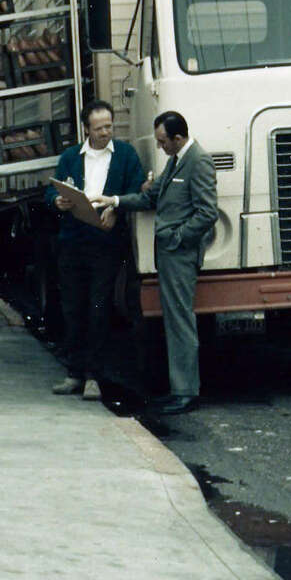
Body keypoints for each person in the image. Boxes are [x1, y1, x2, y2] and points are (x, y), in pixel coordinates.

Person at [96, 111, 217, 415]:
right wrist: (117, 201)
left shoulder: (198, 161)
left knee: (180, 323)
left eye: (164, 142)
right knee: (175, 322)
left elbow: (207, 213)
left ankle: (187, 392)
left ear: (178, 138)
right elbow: (152, 199)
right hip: (169, 254)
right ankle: (180, 389)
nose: (161, 147)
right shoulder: (176, 160)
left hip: (179, 254)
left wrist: (177, 238)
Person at [44, 100, 145, 400]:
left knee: (99, 309)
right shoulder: (70, 157)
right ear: (85, 129)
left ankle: (93, 377)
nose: (105, 133)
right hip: (73, 241)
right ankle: (74, 372)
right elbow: (52, 189)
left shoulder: (125, 155)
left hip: (105, 243)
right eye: (99, 128)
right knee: (72, 308)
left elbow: (136, 188)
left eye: (109, 126)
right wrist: (56, 201)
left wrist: (116, 207)